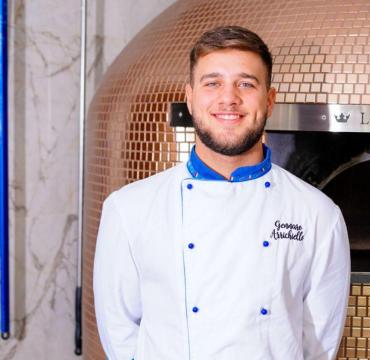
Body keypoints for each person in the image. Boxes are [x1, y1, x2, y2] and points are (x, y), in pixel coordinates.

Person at [93, 26, 351, 360]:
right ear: (190, 97)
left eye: (246, 83)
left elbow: (319, 344)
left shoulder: (318, 215)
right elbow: (120, 335)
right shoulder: (128, 210)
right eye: (212, 83)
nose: (229, 98)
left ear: (269, 100)